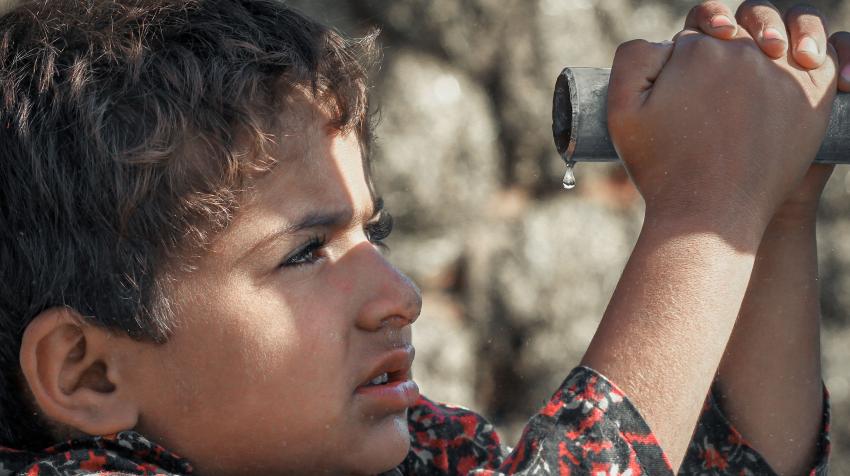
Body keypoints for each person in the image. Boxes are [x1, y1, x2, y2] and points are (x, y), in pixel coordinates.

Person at [0, 0, 843, 474]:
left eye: (378, 231)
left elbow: (734, 467)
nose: (398, 296)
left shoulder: (417, 459)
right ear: (89, 370)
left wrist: (772, 208)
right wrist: (706, 209)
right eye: (304, 252)